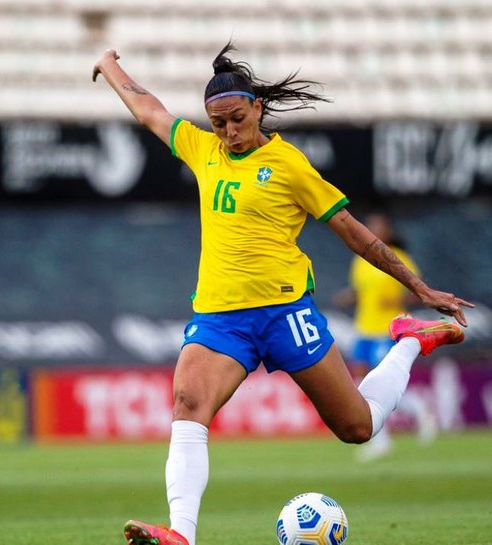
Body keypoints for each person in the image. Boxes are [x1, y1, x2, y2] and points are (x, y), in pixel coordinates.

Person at [92, 43, 473, 545]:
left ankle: (409, 341)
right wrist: (110, 64)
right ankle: (181, 534)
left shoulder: (289, 165)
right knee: (188, 401)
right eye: (218, 122)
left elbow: (353, 231)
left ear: (257, 107)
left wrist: (418, 288)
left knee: (357, 427)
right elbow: (149, 110)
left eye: (235, 118)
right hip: (219, 317)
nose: (228, 132)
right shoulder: (202, 147)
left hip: (284, 313)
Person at [334, 212, 437, 461]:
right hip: (364, 328)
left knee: (381, 382)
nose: (373, 230)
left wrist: (397, 299)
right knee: (359, 385)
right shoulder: (360, 261)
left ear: (388, 232)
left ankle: (419, 409)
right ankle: (381, 441)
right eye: (370, 226)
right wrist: (350, 297)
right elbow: (363, 291)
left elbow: (417, 289)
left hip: (387, 328)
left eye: (379, 226)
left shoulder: (399, 258)